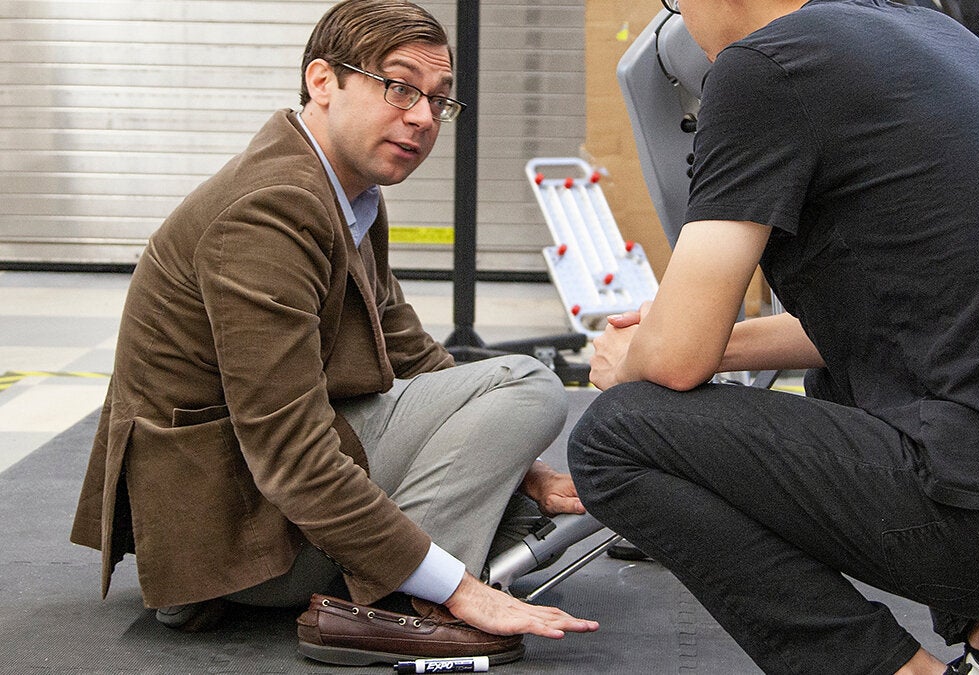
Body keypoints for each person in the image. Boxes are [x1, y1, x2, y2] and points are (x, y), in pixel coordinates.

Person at [568, 1, 979, 674]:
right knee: (849, 373)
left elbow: (676, 360)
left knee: (617, 434)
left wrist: (632, 356)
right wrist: (700, 337)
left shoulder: (761, 67)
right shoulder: (938, 36)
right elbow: (901, 317)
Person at [70, 0, 598, 662]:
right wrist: (457, 585)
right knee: (530, 384)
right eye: (400, 87)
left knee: (514, 477)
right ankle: (401, 607)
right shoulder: (271, 210)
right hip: (232, 538)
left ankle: (409, 568)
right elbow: (288, 449)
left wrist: (520, 465)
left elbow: (410, 354)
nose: (423, 117)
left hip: (256, 498)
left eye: (439, 100)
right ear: (323, 81)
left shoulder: (345, 189)